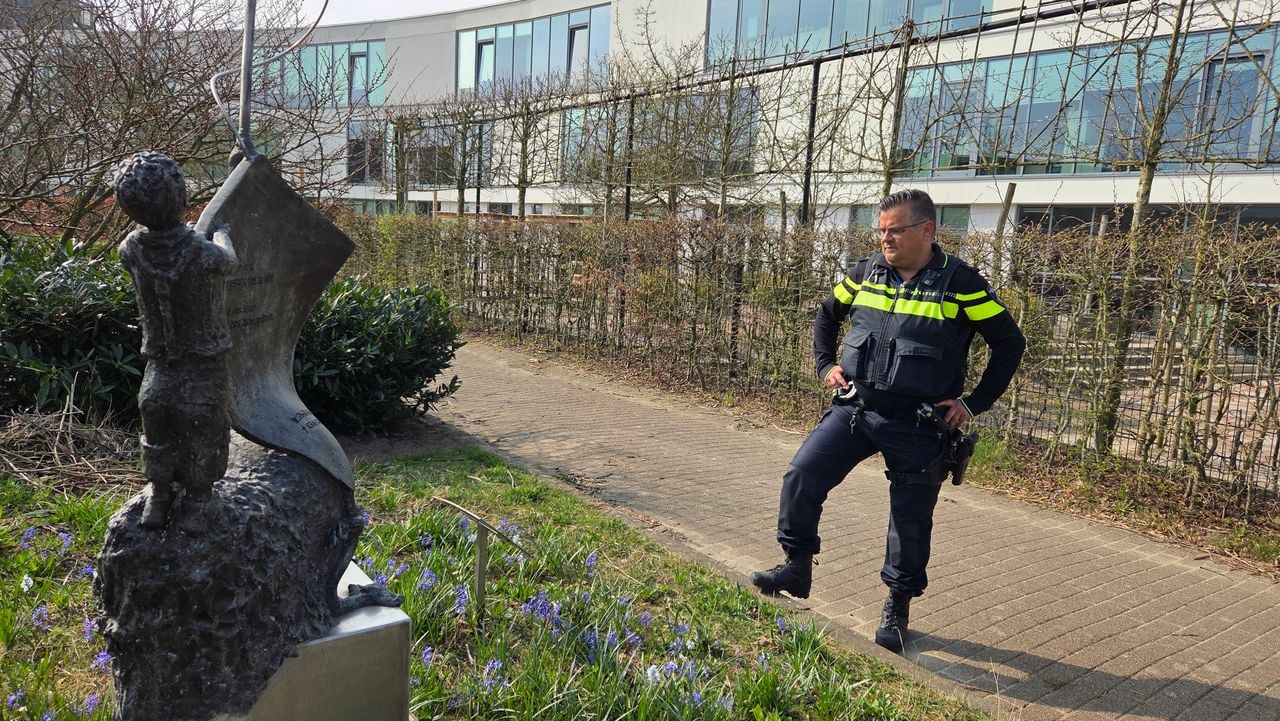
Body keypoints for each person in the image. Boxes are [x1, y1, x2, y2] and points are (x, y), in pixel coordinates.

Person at [750, 189, 1025, 653]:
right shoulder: (865, 273)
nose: (885, 239)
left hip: (920, 426)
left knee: (910, 521)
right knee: (802, 475)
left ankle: (897, 606)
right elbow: (825, 315)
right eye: (880, 230)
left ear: (926, 230)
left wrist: (974, 403)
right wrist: (824, 365)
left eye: (894, 230)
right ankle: (796, 566)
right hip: (855, 409)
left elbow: (1009, 344)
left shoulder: (962, 284)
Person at [114, 151, 238, 528]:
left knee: (158, 422)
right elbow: (228, 260)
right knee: (205, 425)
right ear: (183, 198)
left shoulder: (131, 249)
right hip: (204, 359)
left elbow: (143, 245)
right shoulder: (205, 253)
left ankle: (159, 493)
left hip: (160, 360)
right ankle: (198, 502)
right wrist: (222, 233)